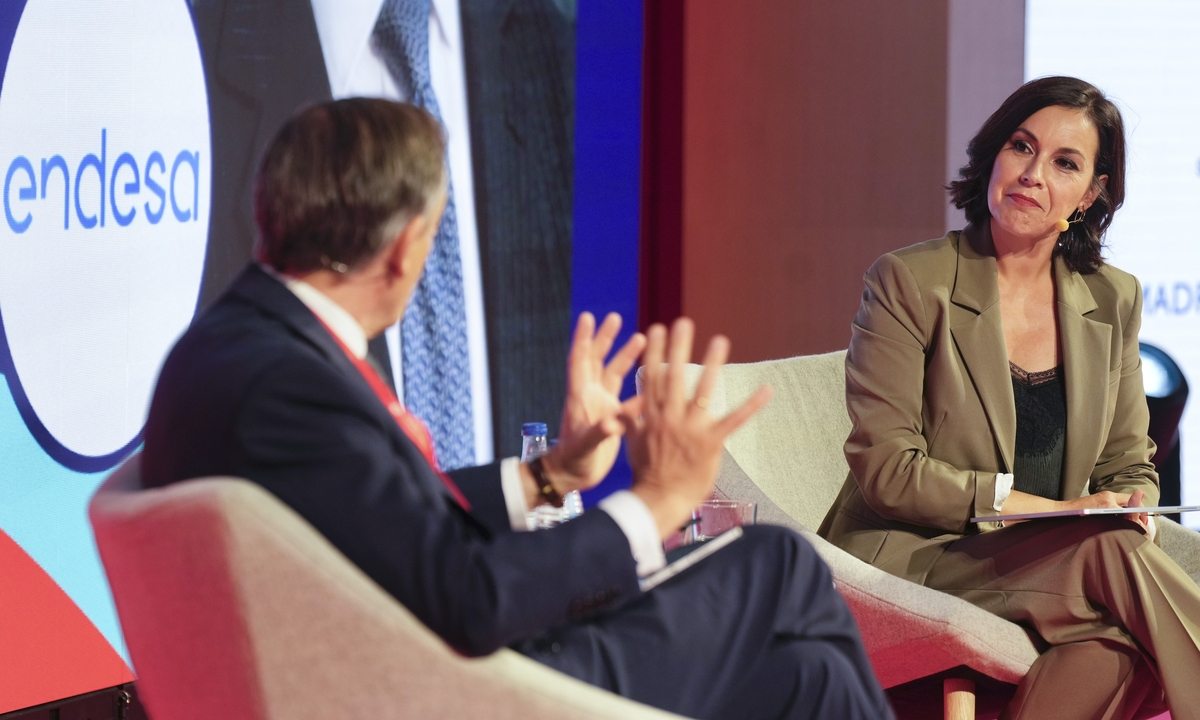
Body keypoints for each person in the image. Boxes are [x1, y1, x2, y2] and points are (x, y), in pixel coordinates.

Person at [141, 98, 893, 720]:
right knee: (777, 562)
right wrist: (657, 501)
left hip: (405, 655)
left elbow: (374, 514)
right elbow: (469, 598)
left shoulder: (241, 346)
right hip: (454, 688)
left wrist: (548, 475)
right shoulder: (289, 385)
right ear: (405, 249)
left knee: (809, 678)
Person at [818, 76, 1200, 719]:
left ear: (1091, 193)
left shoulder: (1113, 297)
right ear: (994, 155)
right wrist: (1056, 511)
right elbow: (888, 471)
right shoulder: (910, 281)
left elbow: (1129, 463)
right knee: (1110, 554)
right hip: (914, 559)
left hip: (1050, 565)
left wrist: (1131, 503)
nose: (1032, 173)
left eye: (1065, 163)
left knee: (1118, 643)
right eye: (1021, 146)